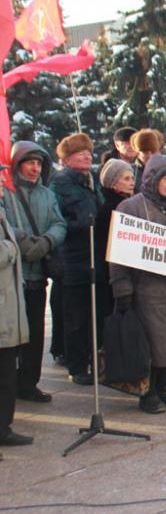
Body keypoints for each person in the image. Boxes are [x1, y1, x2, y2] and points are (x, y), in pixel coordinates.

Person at [110, 155, 166, 414]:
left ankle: (165, 385)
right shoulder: (130, 207)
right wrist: (121, 287)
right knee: (151, 340)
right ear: (152, 179)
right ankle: (148, 392)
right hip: (146, 287)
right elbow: (118, 251)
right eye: (164, 179)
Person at [0, 142, 66, 402]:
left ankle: (29, 382)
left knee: (36, 333)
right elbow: (5, 222)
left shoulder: (48, 195)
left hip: (38, 275)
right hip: (13, 278)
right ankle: (9, 383)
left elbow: (59, 223)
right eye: (29, 163)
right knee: (12, 334)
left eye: (38, 164)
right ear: (18, 164)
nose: (34, 168)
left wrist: (47, 241)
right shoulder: (7, 194)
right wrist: (22, 240)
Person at [50, 133, 105, 386]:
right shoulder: (60, 182)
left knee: (94, 314)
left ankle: (93, 359)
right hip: (73, 258)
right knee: (76, 317)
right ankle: (77, 364)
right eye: (80, 152)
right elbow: (56, 219)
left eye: (88, 151)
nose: (87, 156)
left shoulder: (91, 180)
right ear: (67, 158)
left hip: (94, 254)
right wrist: (80, 223)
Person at [0, 171, 34, 448]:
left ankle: (4, 426)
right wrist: (13, 248)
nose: (3, 183)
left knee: (7, 371)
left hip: (8, 304)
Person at [95, 160, 135, 316]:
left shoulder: (128, 204)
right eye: (126, 179)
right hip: (112, 276)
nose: (132, 182)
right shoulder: (111, 208)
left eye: (132, 178)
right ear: (113, 182)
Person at [130, 129, 164, 194]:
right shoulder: (130, 171)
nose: (150, 156)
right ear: (138, 152)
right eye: (146, 153)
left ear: (160, 151)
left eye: (154, 152)